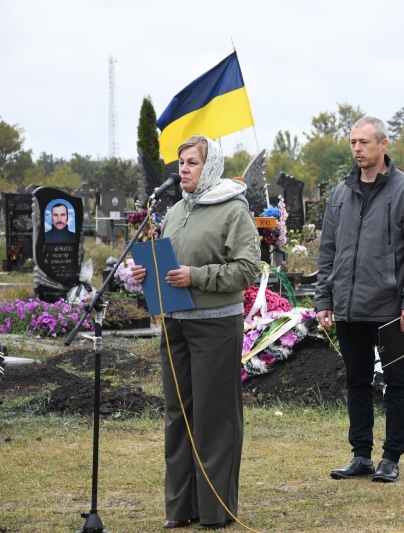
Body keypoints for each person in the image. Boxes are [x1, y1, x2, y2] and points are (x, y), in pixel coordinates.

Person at [131, 135, 260, 530]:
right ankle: (180, 507)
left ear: (211, 166)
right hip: (176, 324)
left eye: (192, 162)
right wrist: (145, 273)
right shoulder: (175, 210)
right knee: (179, 415)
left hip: (215, 325)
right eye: (181, 162)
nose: (182, 169)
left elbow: (247, 270)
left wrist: (196, 276)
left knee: (213, 416)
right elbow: (170, 262)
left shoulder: (233, 209)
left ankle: (215, 510)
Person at [316, 116, 404, 483]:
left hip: (392, 309)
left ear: (383, 144)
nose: (357, 148)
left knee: (397, 384)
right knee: (357, 381)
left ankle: (391, 457)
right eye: (353, 142)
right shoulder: (340, 194)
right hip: (349, 307)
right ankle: (361, 455)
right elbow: (328, 250)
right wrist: (324, 299)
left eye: (364, 142)